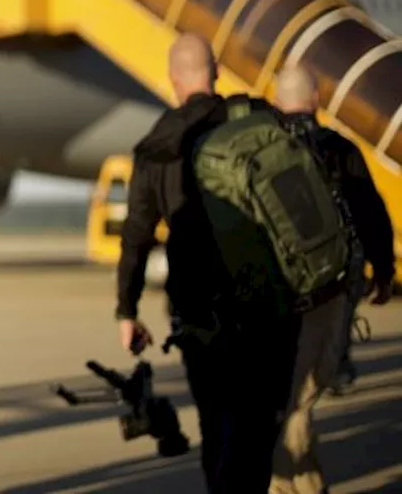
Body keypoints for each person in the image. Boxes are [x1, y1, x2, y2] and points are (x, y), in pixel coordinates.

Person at [115, 33, 300, 493]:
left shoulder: (156, 143)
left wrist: (127, 310)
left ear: (174, 79)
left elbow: (136, 235)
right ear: (215, 72)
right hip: (268, 304)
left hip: (198, 309)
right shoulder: (257, 118)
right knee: (259, 427)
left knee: (216, 421)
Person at [268, 63, 395, 494]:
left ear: (275, 100)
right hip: (331, 294)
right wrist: (384, 271)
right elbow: (373, 215)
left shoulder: (262, 151)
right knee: (299, 400)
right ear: (317, 100)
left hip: (276, 296)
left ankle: (294, 484)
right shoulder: (340, 149)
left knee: (290, 400)